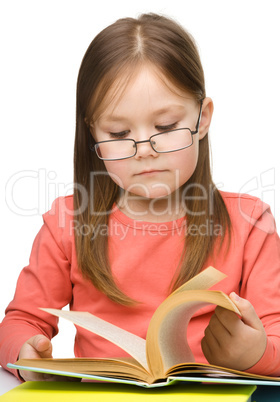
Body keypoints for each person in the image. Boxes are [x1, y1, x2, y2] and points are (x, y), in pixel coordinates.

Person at [1, 13, 280, 382]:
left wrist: (257, 353)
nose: (144, 150)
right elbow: (21, 320)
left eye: (165, 127)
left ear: (203, 118)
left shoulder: (250, 221)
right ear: (93, 135)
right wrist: (27, 352)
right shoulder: (67, 221)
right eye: (118, 132)